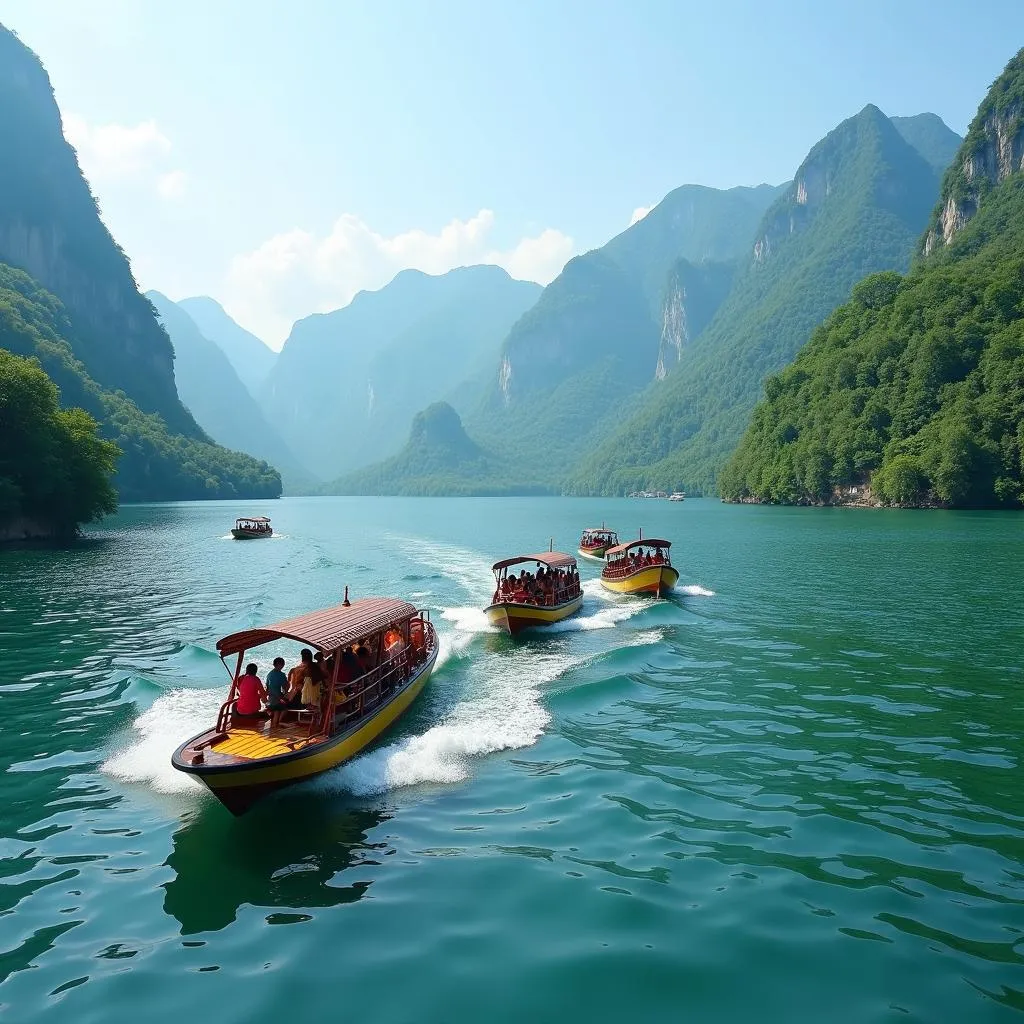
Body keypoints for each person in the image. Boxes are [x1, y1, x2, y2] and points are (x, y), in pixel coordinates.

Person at [266, 656, 289, 728]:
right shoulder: (281, 675)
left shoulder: (269, 674)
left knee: (276, 709)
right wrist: (283, 696)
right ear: (281, 665)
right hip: (277, 698)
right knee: (283, 709)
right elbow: (285, 686)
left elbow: (267, 687)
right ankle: (278, 723)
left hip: (270, 699)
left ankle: (271, 715)